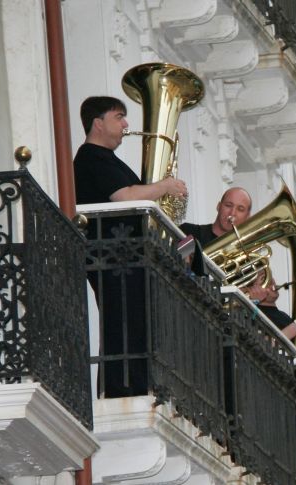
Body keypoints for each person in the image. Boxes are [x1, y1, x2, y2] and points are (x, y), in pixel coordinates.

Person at [74, 96, 188, 398]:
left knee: (136, 322)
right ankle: (123, 388)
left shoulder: (108, 160)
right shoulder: (91, 157)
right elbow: (125, 197)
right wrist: (164, 186)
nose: (126, 124)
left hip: (126, 257)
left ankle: (140, 384)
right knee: (122, 322)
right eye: (119, 117)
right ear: (98, 123)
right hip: (113, 258)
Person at [179, 187, 252, 246]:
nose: (232, 213)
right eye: (228, 205)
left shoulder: (246, 249)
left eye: (240, 209)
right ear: (218, 206)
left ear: (248, 217)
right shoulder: (189, 232)